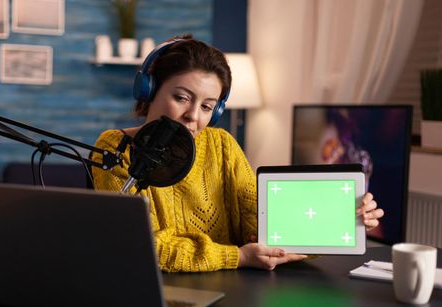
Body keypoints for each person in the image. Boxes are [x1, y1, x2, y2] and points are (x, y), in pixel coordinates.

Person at [91, 35, 384, 272]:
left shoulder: (222, 145)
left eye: (207, 106)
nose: (193, 116)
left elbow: (264, 229)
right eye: (181, 97)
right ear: (149, 89)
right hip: (158, 294)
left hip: (233, 297)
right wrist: (238, 257)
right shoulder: (114, 149)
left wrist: (341, 220)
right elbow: (142, 247)